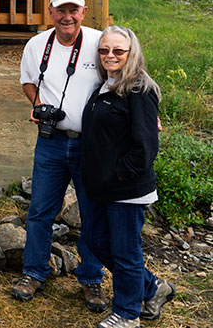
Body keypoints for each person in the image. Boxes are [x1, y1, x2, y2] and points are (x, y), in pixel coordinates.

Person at [14, 0, 108, 311]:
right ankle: (34, 272)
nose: (67, 16)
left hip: (91, 145)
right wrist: (38, 104)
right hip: (51, 142)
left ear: (83, 12)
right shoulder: (36, 44)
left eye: (74, 10)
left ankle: (92, 279)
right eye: (61, 10)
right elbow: (27, 80)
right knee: (40, 211)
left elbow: (127, 78)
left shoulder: (101, 43)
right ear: (51, 11)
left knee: (93, 214)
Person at [80, 26, 174, 328]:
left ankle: (127, 314)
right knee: (96, 241)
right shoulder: (106, 85)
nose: (110, 55)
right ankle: (151, 287)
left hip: (127, 189)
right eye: (105, 50)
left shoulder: (139, 90)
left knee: (125, 252)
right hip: (101, 187)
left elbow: (146, 148)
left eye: (118, 51)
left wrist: (116, 175)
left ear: (131, 53)